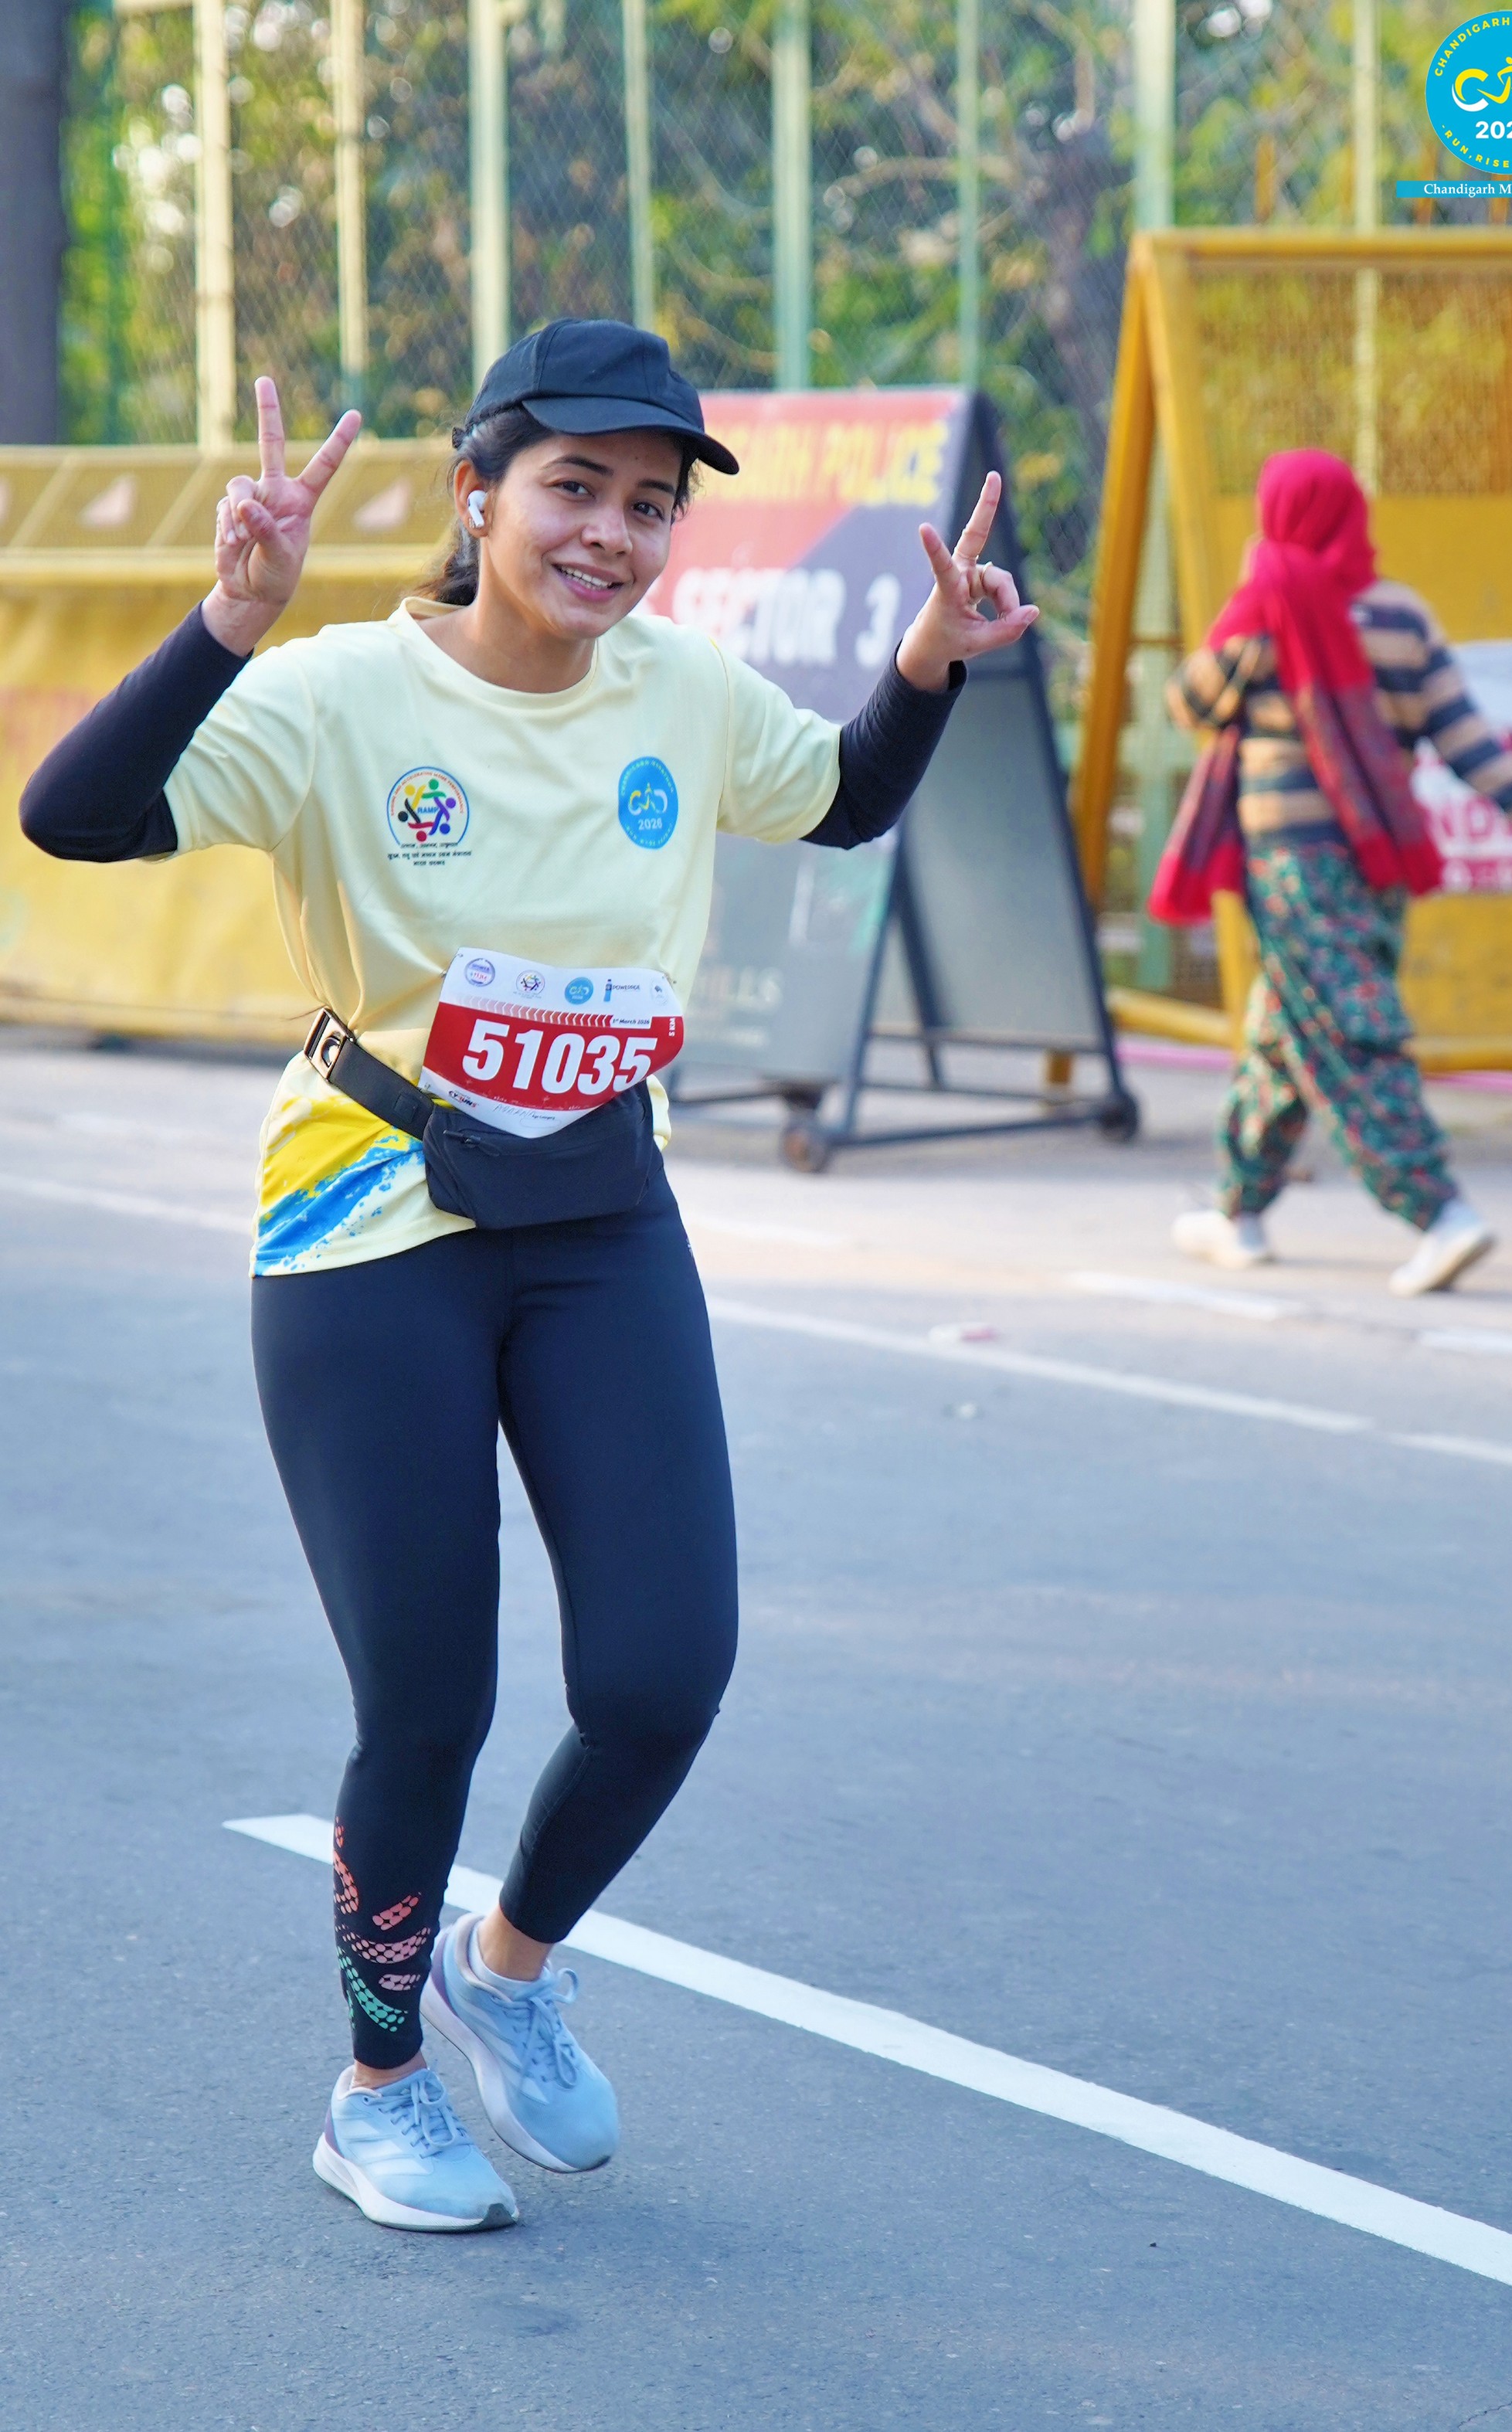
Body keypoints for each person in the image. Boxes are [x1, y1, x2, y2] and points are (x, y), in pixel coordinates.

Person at [20, 318, 1038, 2231]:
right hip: (371, 1214)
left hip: (594, 1209)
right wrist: (228, 621)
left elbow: (840, 797)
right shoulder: (336, 693)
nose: (609, 536)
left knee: (660, 1674)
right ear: (476, 492)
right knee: (427, 1701)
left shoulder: (676, 688)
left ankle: (503, 1968)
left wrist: (924, 662)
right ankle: (376, 2082)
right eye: (573, 487)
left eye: (647, 506)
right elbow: (71, 815)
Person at [1160, 447, 1512, 1298]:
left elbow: (1189, 704)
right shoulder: (1401, 616)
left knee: (1347, 1033)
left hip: (1294, 867)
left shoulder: (1265, 608)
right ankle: (1237, 1211)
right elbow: (1461, 733)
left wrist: (1253, 604)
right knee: (1282, 1033)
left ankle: (1438, 1212)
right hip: (1377, 861)